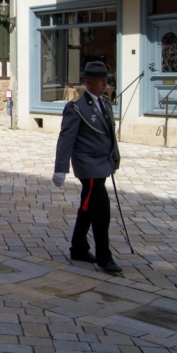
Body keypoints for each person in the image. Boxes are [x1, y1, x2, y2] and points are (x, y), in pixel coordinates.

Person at [52, 61, 123, 275]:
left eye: (106, 79)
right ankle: (105, 257)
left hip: (102, 163)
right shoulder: (75, 107)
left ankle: (79, 247)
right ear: (88, 82)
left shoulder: (105, 103)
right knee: (101, 209)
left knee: (87, 206)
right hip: (89, 165)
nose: (105, 83)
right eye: (100, 80)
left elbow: (110, 135)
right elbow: (66, 138)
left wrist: (115, 159)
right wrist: (60, 169)